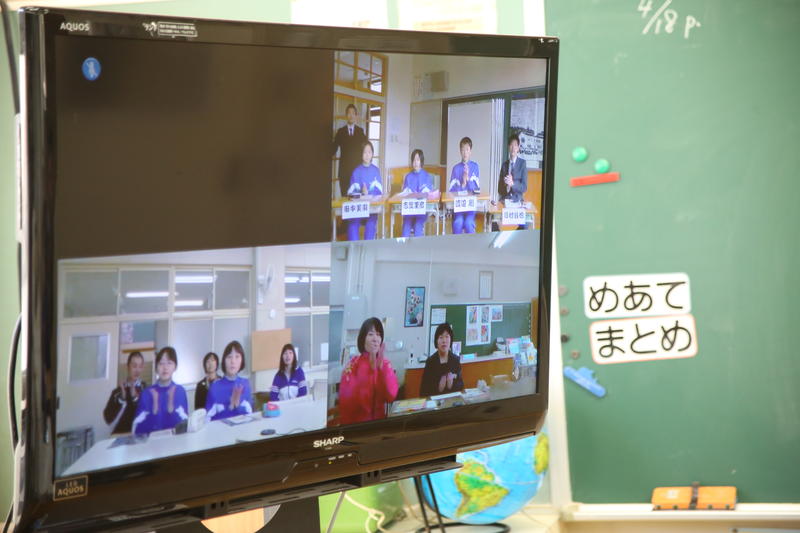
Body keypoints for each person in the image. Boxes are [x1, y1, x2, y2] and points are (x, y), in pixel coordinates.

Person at [338, 317, 398, 424]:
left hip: (379, 426)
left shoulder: (385, 364)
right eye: (371, 334)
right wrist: (369, 373)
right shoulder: (353, 364)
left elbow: (391, 396)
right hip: (356, 426)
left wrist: (381, 371)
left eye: (378, 334)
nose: (375, 339)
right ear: (363, 339)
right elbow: (347, 402)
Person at [132, 347, 188, 435]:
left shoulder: (180, 391)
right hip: (151, 442)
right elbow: (136, 428)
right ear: (156, 368)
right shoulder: (147, 393)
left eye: (169, 363)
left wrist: (170, 407)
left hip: (175, 441)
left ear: (175, 367)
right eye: (161, 363)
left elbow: (185, 425)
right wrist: (154, 409)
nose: (165, 367)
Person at [206, 340, 253, 421]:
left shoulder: (245, 383)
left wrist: (238, 407)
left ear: (242, 360)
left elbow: (250, 414)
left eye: (237, 356)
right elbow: (207, 419)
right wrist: (228, 407)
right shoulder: (215, 386)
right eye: (229, 357)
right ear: (224, 361)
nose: (233, 361)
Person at [346, 141, 383, 241]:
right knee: (352, 225)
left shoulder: (376, 171)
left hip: (372, 209)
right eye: (364, 152)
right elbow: (350, 195)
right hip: (358, 209)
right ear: (361, 154)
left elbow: (380, 193)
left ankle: (367, 249)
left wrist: (369, 194)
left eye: (369, 152)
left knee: (371, 225)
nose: (367, 155)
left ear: (372, 154)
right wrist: (361, 194)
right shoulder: (356, 171)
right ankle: (354, 248)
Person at [103, 351, 147, 434]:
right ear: (128, 366)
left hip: (140, 435)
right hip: (119, 436)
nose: (137, 370)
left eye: (140, 366)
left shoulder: (145, 389)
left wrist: (135, 398)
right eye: (134, 366)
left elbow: (147, 416)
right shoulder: (117, 392)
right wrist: (122, 400)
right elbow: (108, 420)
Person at [332, 103, 367, 198]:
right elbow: (333, 149)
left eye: (353, 113)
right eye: (349, 113)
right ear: (346, 115)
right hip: (344, 172)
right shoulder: (340, 131)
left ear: (356, 116)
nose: (351, 115)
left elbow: (367, 148)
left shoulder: (360, 131)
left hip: (357, 171)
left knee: (357, 198)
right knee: (345, 198)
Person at [420, 323, 464, 397]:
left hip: (452, 401)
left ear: (451, 340)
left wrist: (451, 385)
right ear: (436, 341)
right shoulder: (430, 362)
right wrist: (438, 388)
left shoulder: (455, 360)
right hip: (435, 402)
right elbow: (423, 391)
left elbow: (461, 385)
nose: (444, 341)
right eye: (441, 337)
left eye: (447, 337)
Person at [496, 133, 529, 230]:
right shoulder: (504, 165)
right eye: (511, 145)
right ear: (508, 147)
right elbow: (499, 189)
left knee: (526, 224)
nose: (513, 148)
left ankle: (516, 237)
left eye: (515, 145)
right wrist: (505, 185)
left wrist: (513, 184)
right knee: (493, 221)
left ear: (518, 148)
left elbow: (524, 187)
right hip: (505, 201)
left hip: (517, 201)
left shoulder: (522, 163)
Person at [448, 136, 480, 234]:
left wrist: (468, 180)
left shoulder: (475, 167)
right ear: (460, 151)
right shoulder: (455, 168)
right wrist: (463, 184)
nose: (465, 152)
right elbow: (451, 191)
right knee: (458, 222)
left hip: (470, 205)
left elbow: (477, 190)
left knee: (468, 223)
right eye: (463, 149)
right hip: (459, 206)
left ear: (470, 151)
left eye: (467, 149)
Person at [401, 149, 435, 238]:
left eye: (418, 160)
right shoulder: (408, 176)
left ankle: (417, 247)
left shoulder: (427, 176)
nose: (415, 162)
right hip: (410, 210)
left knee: (417, 227)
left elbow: (429, 194)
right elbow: (404, 194)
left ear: (421, 161)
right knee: (405, 229)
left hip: (421, 210)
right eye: (414, 160)